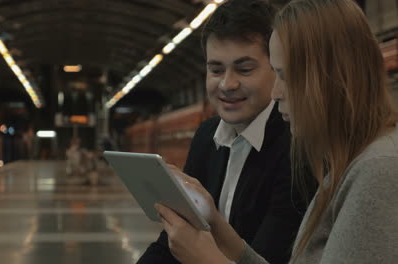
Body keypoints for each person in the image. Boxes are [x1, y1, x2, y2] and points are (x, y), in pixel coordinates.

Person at [155, 0, 398, 263]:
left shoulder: (378, 170)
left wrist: (206, 259)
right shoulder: (346, 167)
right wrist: (215, 224)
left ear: (329, 77)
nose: (276, 92)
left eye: (284, 76)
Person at [137, 1, 310, 263]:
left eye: (244, 69)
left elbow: (268, 256)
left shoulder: (298, 146)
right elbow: (174, 240)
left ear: (276, 68)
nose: (227, 84)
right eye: (216, 70)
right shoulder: (206, 137)